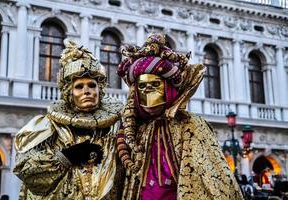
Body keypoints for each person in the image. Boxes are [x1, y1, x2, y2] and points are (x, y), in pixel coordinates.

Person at [116, 33, 244, 200]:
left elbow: (216, 184)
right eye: (142, 86)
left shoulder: (191, 126)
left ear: (168, 88)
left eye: (155, 84)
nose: (148, 91)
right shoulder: (134, 131)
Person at [13, 40, 123, 199]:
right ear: (69, 92)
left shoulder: (116, 126)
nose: (87, 91)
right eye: (79, 86)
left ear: (100, 89)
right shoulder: (50, 126)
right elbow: (27, 171)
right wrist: (67, 156)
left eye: (92, 85)